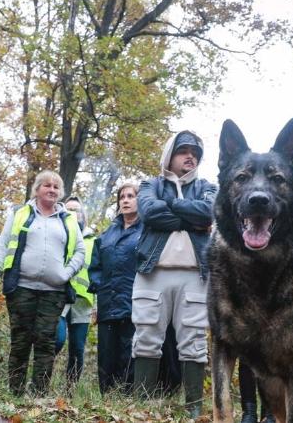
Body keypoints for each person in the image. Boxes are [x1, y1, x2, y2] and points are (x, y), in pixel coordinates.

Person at [133, 130, 217, 418]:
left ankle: (193, 409)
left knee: (194, 342)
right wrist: (190, 220)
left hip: (196, 275)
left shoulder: (208, 187)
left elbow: (208, 212)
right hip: (152, 271)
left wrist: (174, 208)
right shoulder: (150, 184)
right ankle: (141, 407)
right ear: (170, 155)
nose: (190, 156)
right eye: (183, 151)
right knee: (146, 336)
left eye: (195, 152)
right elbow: (148, 212)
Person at [0, 171, 86, 396]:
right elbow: (2, 245)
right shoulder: (20, 213)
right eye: (47, 185)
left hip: (54, 292)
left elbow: (80, 251)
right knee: (20, 342)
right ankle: (16, 393)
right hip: (21, 289)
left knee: (46, 343)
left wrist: (65, 274)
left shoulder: (68, 219)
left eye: (56, 187)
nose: (52, 190)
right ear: (37, 189)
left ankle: (39, 395)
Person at [88, 183, 142, 394]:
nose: (126, 200)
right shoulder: (106, 234)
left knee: (130, 352)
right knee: (107, 352)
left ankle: (127, 396)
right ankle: (105, 395)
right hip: (108, 302)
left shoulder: (148, 231)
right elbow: (95, 266)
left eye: (131, 196)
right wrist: (100, 287)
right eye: (122, 197)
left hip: (134, 302)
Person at [53, 196, 96, 387]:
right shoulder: (58, 233)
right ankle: (41, 382)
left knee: (77, 349)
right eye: (68, 209)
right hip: (59, 296)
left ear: (82, 214)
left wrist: (98, 304)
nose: (72, 212)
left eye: (76, 209)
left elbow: (99, 272)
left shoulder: (94, 241)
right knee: (56, 340)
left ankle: (70, 391)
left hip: (83, 301)